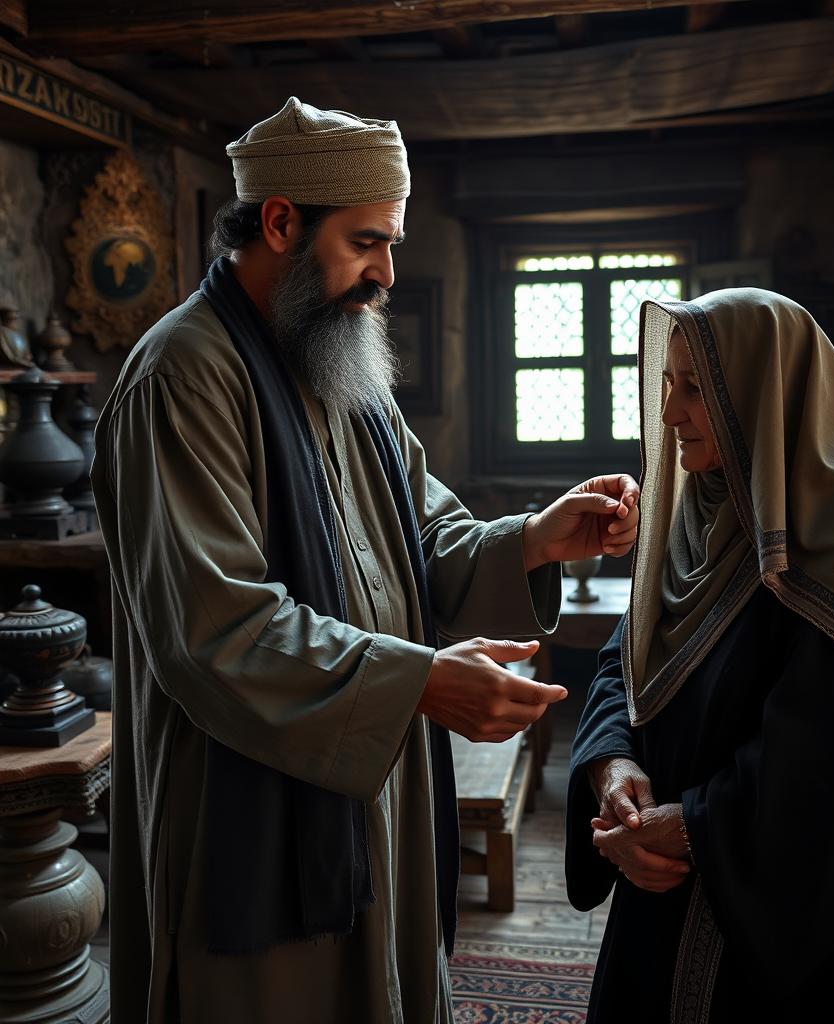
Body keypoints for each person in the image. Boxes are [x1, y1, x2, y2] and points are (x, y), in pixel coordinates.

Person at [92, 96, 640, 1024]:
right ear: (279, 222)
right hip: (250, 795)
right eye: (367, 242)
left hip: (373, 771)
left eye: (392, 243)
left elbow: (424, 539)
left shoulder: (338, 358)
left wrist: (539, 538)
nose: (387, 271)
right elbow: (214, 627)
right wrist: (419, 685)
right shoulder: (183, 374)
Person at [565, 289, 834, 1023]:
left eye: (697, 387)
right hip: (666, 878)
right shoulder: (697, 502)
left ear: (761, 390)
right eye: (667, 382)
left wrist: (693, 828)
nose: (668, 413)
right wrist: (613, 767)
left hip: (803, 919)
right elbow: (626, 658)